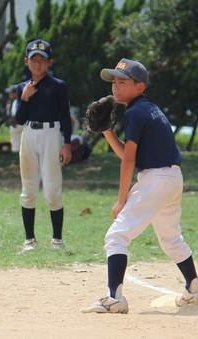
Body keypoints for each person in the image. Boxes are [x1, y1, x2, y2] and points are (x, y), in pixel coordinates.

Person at [81, 59, 198, 314]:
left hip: (155, 179)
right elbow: (127, 153)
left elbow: (129, 161)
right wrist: (107, 132)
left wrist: (122, 199)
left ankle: (115, 298)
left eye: (123, 82)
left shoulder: (135, 112)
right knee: (170, 238)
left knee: (116, 236)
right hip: (172, 178)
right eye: (114, 82)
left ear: (140, 86)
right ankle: (194, 288)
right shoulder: (148, 109)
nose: (115, 87)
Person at [15, 39, 72, 252]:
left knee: (52, 188)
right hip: (29, 133)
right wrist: (24, 98)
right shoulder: (23, 87)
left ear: (50, 62)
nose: (37, 64)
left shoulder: (58, 86)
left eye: (42, 60)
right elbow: (20, 119)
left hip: (51, 134)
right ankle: (29, 239)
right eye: (33, 60)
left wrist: (67, 144)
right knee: (28, 187)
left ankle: (57, 239)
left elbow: (66, 116)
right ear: (26, 62)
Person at [5, 84, 24, 153]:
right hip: (19, 124)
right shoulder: (14, 101)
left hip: (18, 123)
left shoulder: (17, 101)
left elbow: (14, 114)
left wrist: (14, 120)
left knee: (16, 141)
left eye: (11, 93)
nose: (9, 94)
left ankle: (16, 151)